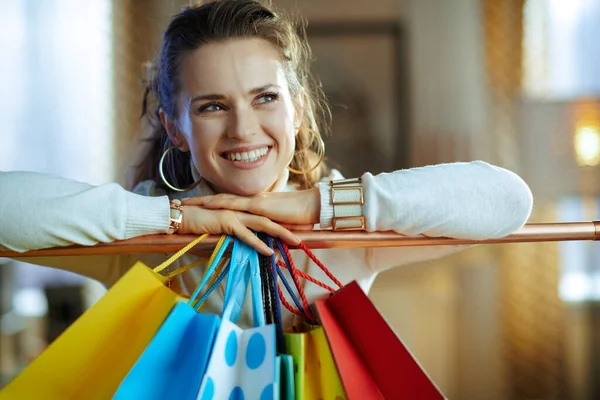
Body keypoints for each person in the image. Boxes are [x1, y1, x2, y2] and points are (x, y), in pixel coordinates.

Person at [0, 0, 533, 328]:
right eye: (212, 106)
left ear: (297, 109)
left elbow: (509, 201)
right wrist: (178, 219)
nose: (242, 129)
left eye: (265, 98)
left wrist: (307, 205)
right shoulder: (139, 240)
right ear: (175, 128)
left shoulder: (346, 226)